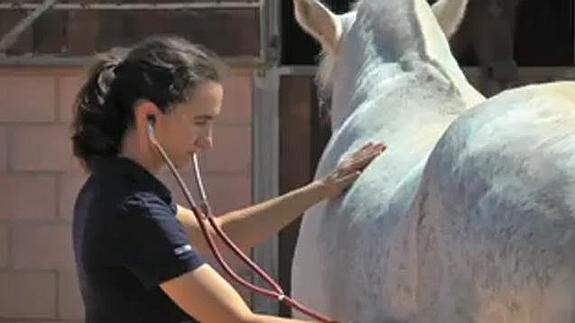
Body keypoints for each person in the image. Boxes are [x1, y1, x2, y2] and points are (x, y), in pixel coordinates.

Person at [71, 35, 385, 323]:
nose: (208, 141)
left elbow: (226, 231)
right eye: (200, 122)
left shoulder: (111, 188)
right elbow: (235, 321)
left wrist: (322, 189)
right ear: (148, 117)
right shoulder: (135, 210)